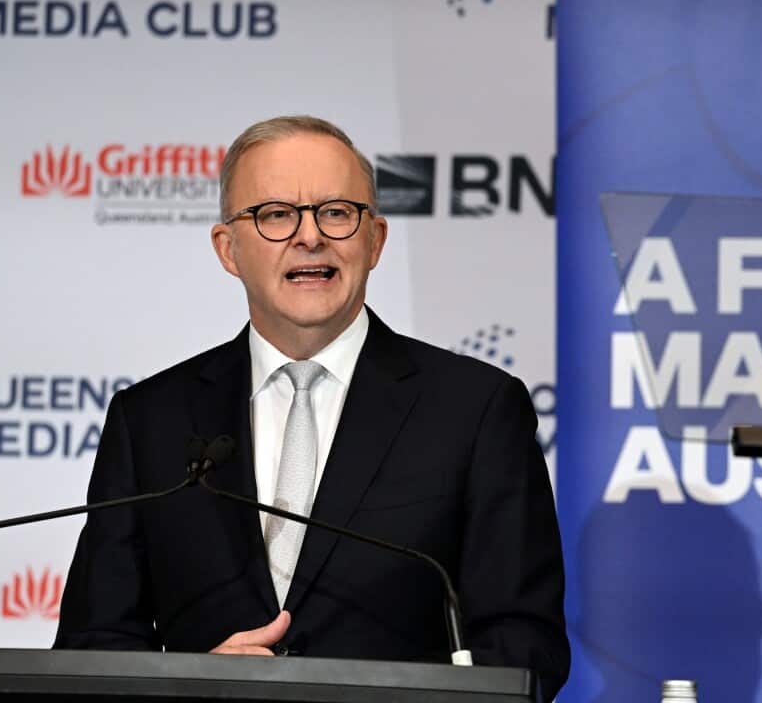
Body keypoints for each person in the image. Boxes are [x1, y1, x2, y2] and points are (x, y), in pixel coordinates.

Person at [53, 115, 570, 700]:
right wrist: (189, 685)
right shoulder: (150, 419)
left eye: (336, 212)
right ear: (228, 249)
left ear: (374, 239)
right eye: (275, 214)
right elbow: (91, 643)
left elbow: (526, 644)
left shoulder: (476, 410)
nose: (309, 236)